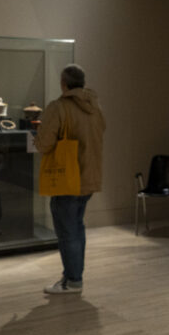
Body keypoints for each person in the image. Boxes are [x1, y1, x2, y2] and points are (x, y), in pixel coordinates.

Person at [34, 64, 106, 295]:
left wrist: (37, 137)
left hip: (67, 179)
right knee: (77, 227)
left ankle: (73, 280)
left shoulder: (59, 107)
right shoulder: (95, 108)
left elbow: (44, 144)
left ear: (63, 84)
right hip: (88, 178)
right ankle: (74, 276)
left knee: (67, 232)